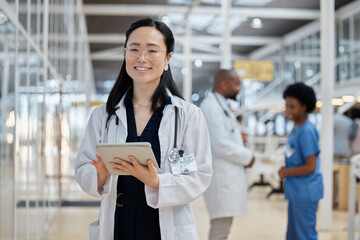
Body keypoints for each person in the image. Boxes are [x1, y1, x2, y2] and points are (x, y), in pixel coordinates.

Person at [75, 18, 212, 240]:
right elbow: (82, 168)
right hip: (119, 223)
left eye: (152, 50)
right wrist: (99, 174)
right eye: (134, 49)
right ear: (125, 54)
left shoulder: (187, 116)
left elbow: (199, 176)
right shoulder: (104, 115)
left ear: (168, 59)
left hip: (163, 225)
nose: (141, 58)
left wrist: (156, 181)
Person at [200, 69, 255, 240]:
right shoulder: (211, 107)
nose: (239, 88)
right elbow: (221, 146)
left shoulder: (220, 106)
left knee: (223, 229)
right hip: (221, 179)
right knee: (220, 229)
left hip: (227, 178)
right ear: (224, 84)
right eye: (236, 84)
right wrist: (249, 157)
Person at [278, 82, 323, 240]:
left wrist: (286, 172)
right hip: (296, 191)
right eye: (286, 106)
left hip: (306, 192)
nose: (288, 111)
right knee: (293, 235)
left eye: (292, 107)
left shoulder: (307, 131)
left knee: (305, 235)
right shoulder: (296, 129)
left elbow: (311, 166)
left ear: (304, 107)